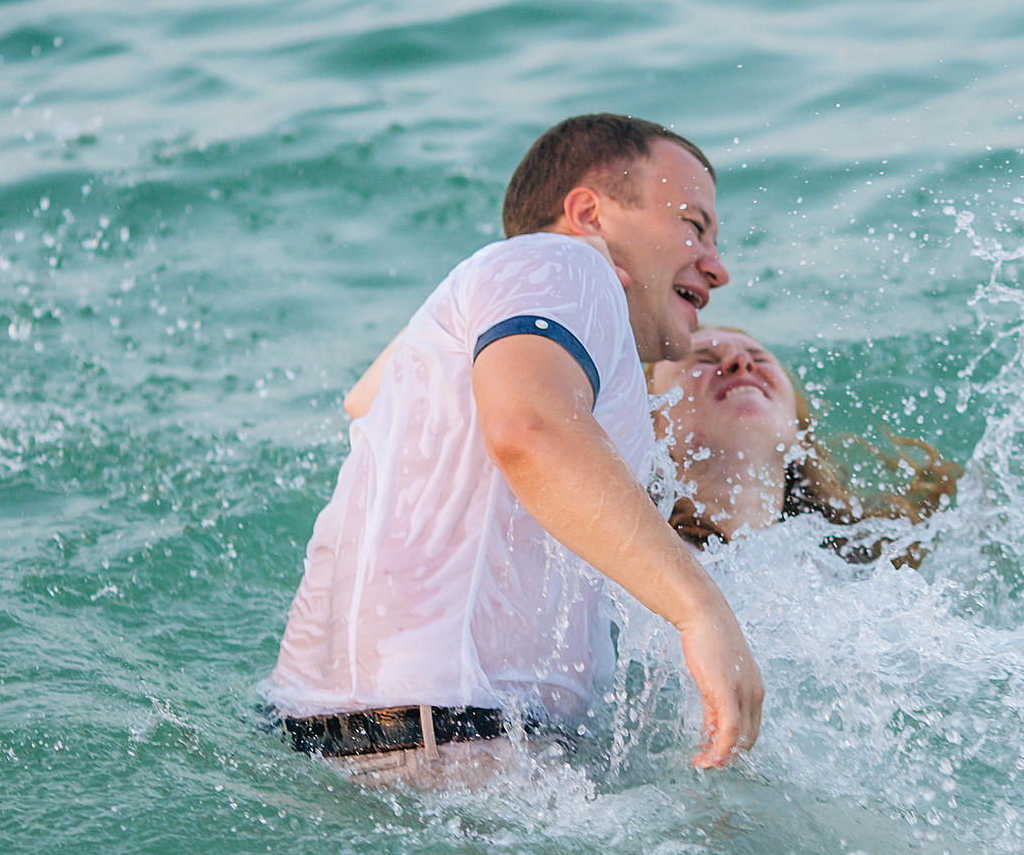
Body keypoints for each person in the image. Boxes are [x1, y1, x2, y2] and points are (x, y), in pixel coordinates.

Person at [262, 114, 765, 791]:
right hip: (452, 751)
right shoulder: (569, 263)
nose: (717, 266)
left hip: (347, 746)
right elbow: (530, 427)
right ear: (588, 212)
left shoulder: (508, 289)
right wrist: (699, 609)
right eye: (693, 225)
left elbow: (364, 397)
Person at [650, 327, 960, 565]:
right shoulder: (641, 565)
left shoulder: (864, 561)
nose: (741, 363)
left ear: (798, 434)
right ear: (652, 431)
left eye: (759, 359)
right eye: (703, 360)